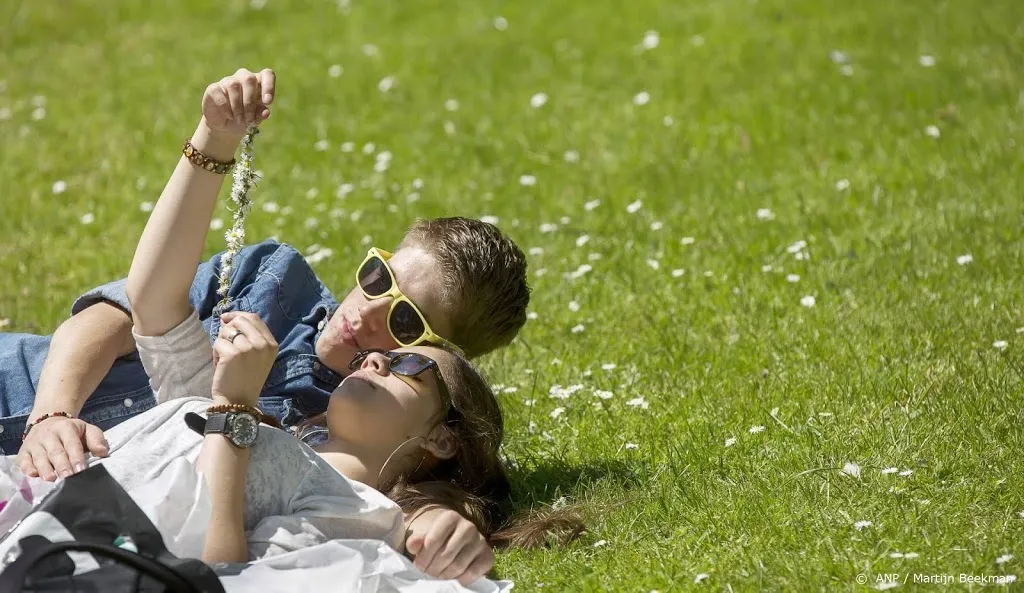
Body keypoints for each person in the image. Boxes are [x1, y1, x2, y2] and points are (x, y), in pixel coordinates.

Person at [0, 67, 533, 585]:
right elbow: (126, 312)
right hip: (23, 392)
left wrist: (430, 519)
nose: (365, 314)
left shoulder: (332, 432)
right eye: (377, 278)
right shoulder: (276, 284)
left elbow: (360, 499)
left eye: (404, 323)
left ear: (447, 363)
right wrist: (215, 140)